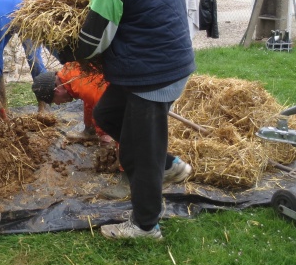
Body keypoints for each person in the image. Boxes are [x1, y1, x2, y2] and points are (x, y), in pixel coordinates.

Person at [58, 0, 196, 240]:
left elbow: (94, 41)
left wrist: (65, 50)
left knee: (139, 152)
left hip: (152, 73)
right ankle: (168, 165)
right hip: (160, 60)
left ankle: (146, 225)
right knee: (106, 115)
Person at [31, 63, 192, 183]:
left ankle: (130, 178)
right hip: (126, 82)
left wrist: (108, 138)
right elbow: (90, 104)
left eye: (55, 101)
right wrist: (90, 129)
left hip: (143, 88)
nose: (59, 104)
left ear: (57, 90)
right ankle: (170, 164)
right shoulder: (70, 73)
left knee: (128, 132)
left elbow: (115, 117)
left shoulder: (82, 86)